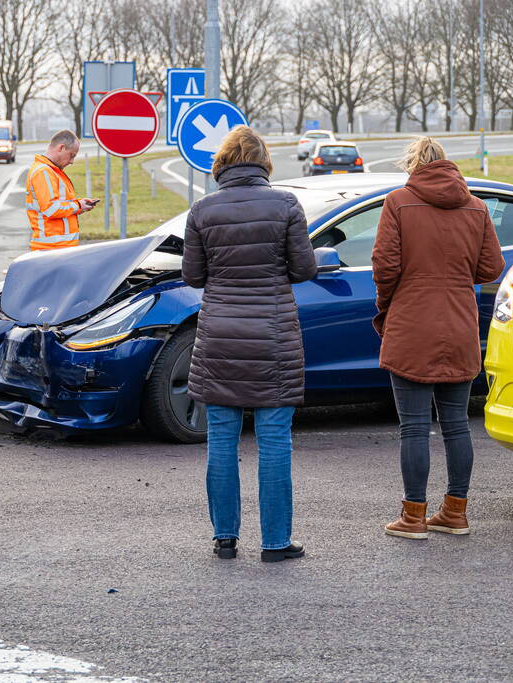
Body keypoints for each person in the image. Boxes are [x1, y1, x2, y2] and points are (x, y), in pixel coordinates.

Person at [182, 126, 317, 563]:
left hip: (220, 336)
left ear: (222, 163)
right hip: (272, 336)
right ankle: (276, 544)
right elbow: (304, 269)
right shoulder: (285, 205)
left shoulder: (202, 210)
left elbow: (193, 277)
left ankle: (225, 539)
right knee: (274, 440)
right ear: (263, 164)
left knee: (221, 438)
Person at [372, 137, 504, 540]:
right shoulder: (477, 207)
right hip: (460, 324)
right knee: (457, 426)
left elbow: (385, 265)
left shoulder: (398, 202)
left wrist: (387, 302)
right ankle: (455, 512)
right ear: (448, 165)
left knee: (413, 428)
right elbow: (492, 267)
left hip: (411, 323)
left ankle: (413, 517)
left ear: (414, 165)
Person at [25, 130, 98, 250]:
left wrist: (81, 205)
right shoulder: (44, 172)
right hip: (51, 248)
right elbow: (51, 209)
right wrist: (78, 205)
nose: (72, 161)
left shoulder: (51, 171)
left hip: (57, 247)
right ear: (61, 148)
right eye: (72, 155)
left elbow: (58, 204)